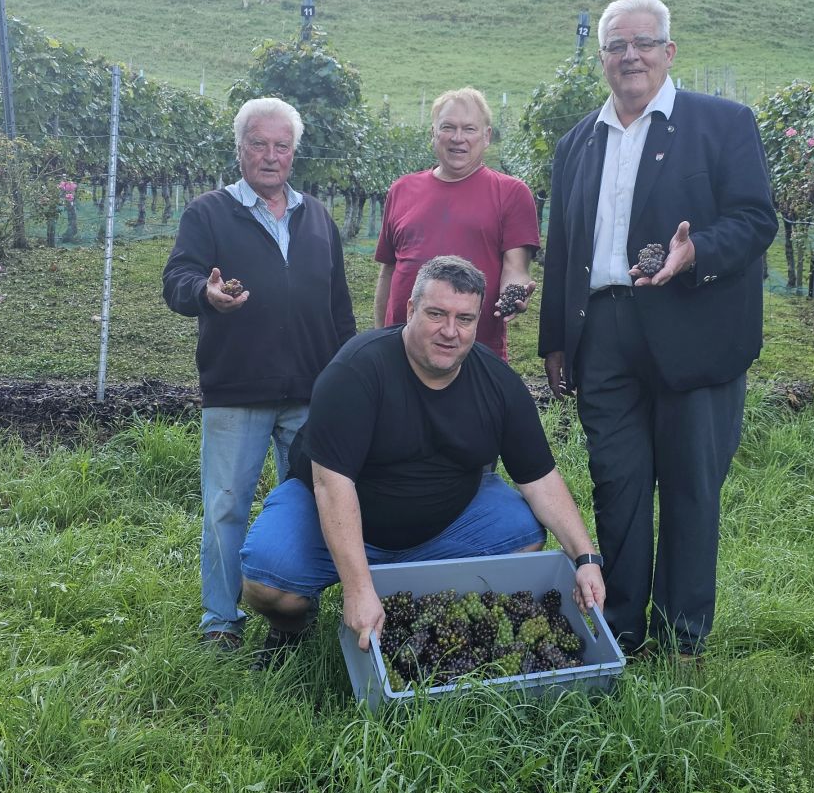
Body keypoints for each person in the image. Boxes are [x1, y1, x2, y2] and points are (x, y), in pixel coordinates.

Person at [537, 0, 776, 658]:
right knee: (617, 484)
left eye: (644, 42)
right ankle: (618, 629)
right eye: (617, 45)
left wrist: (696, 252)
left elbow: (756, 219)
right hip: (604, 332)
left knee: (691, 487)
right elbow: (565, 246)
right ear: (602, 58)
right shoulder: (577, 142)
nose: (631, 55)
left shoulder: (722, 123)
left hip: (694, 327)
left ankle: (681, 637)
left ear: (669, 52)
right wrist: (555, 338)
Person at [240, 255, 605, 660]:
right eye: (436, 314)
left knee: (524, 534)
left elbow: (540, 479)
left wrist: (586, 557)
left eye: (464, 319)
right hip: (336, 511)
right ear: (411, 309)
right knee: (267, 582)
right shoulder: (356, 372)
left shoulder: (498, 384)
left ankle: (427, 613)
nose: (450, 331)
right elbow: (332, 484)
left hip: (444, 524)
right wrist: (358, 588)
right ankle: (293, 629)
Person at [162, 97, 356, 651]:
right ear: (240, 149)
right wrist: (206, 294)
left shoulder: (317, 217)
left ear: (293, 154)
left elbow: (339, 307)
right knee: (226, 506)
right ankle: (220, 621)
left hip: (311, 392)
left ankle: (291, 616)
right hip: (237, 388)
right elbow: (177, 279)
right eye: (258, 144)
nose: (270, 156)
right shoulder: (208, 213)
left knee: (311, 504)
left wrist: (346, 377)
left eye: (281, 146)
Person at [373, 87, 539, 361]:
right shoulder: (401, 190)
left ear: (486, 136)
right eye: (448, 127)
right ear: (434, 133)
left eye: (469, 129)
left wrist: (514, 293)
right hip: (400, 351)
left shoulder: (511, 193)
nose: (458, 138)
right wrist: (379, 338)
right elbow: (389, 272)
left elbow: (516, 268)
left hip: (473, 354)